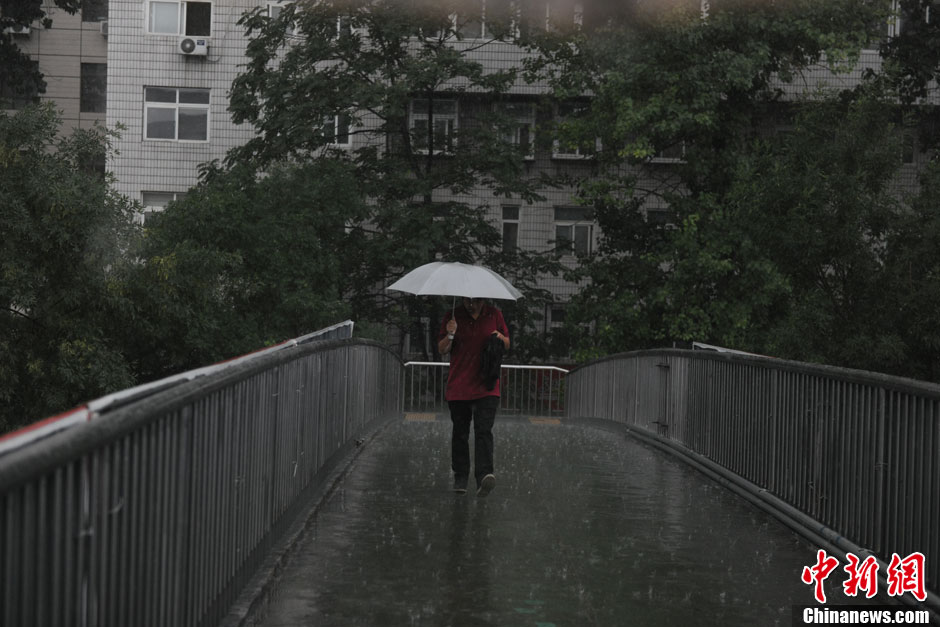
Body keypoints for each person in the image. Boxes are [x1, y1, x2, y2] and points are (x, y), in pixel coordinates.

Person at [438, 297, 510, 497]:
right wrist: (450, 334)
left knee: (483, 431)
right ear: (462, 299)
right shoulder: (453, 316)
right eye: (469, 302)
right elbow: (442, 349)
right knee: (460, 433)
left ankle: (484, 476)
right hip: (459, 386)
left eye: (477, 301)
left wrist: (500, 338)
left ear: (483, 299)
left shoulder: (494, 315)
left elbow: (507, 343)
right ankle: (461, 476)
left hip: (487, 385)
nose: (473, 305)